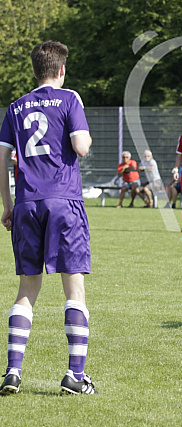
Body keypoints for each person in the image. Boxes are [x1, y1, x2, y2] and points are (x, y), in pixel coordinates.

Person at [0, 41, 96, 395]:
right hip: (63, 201)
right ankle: (75, 375)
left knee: (26, 289)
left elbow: (2, 158)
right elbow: (82, 146)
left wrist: (7, 205)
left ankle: (12, 372)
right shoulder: (70, 98)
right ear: (61, 70)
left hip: (26, 203)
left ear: (35, 70)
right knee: (74, 288)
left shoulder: (15, 107)